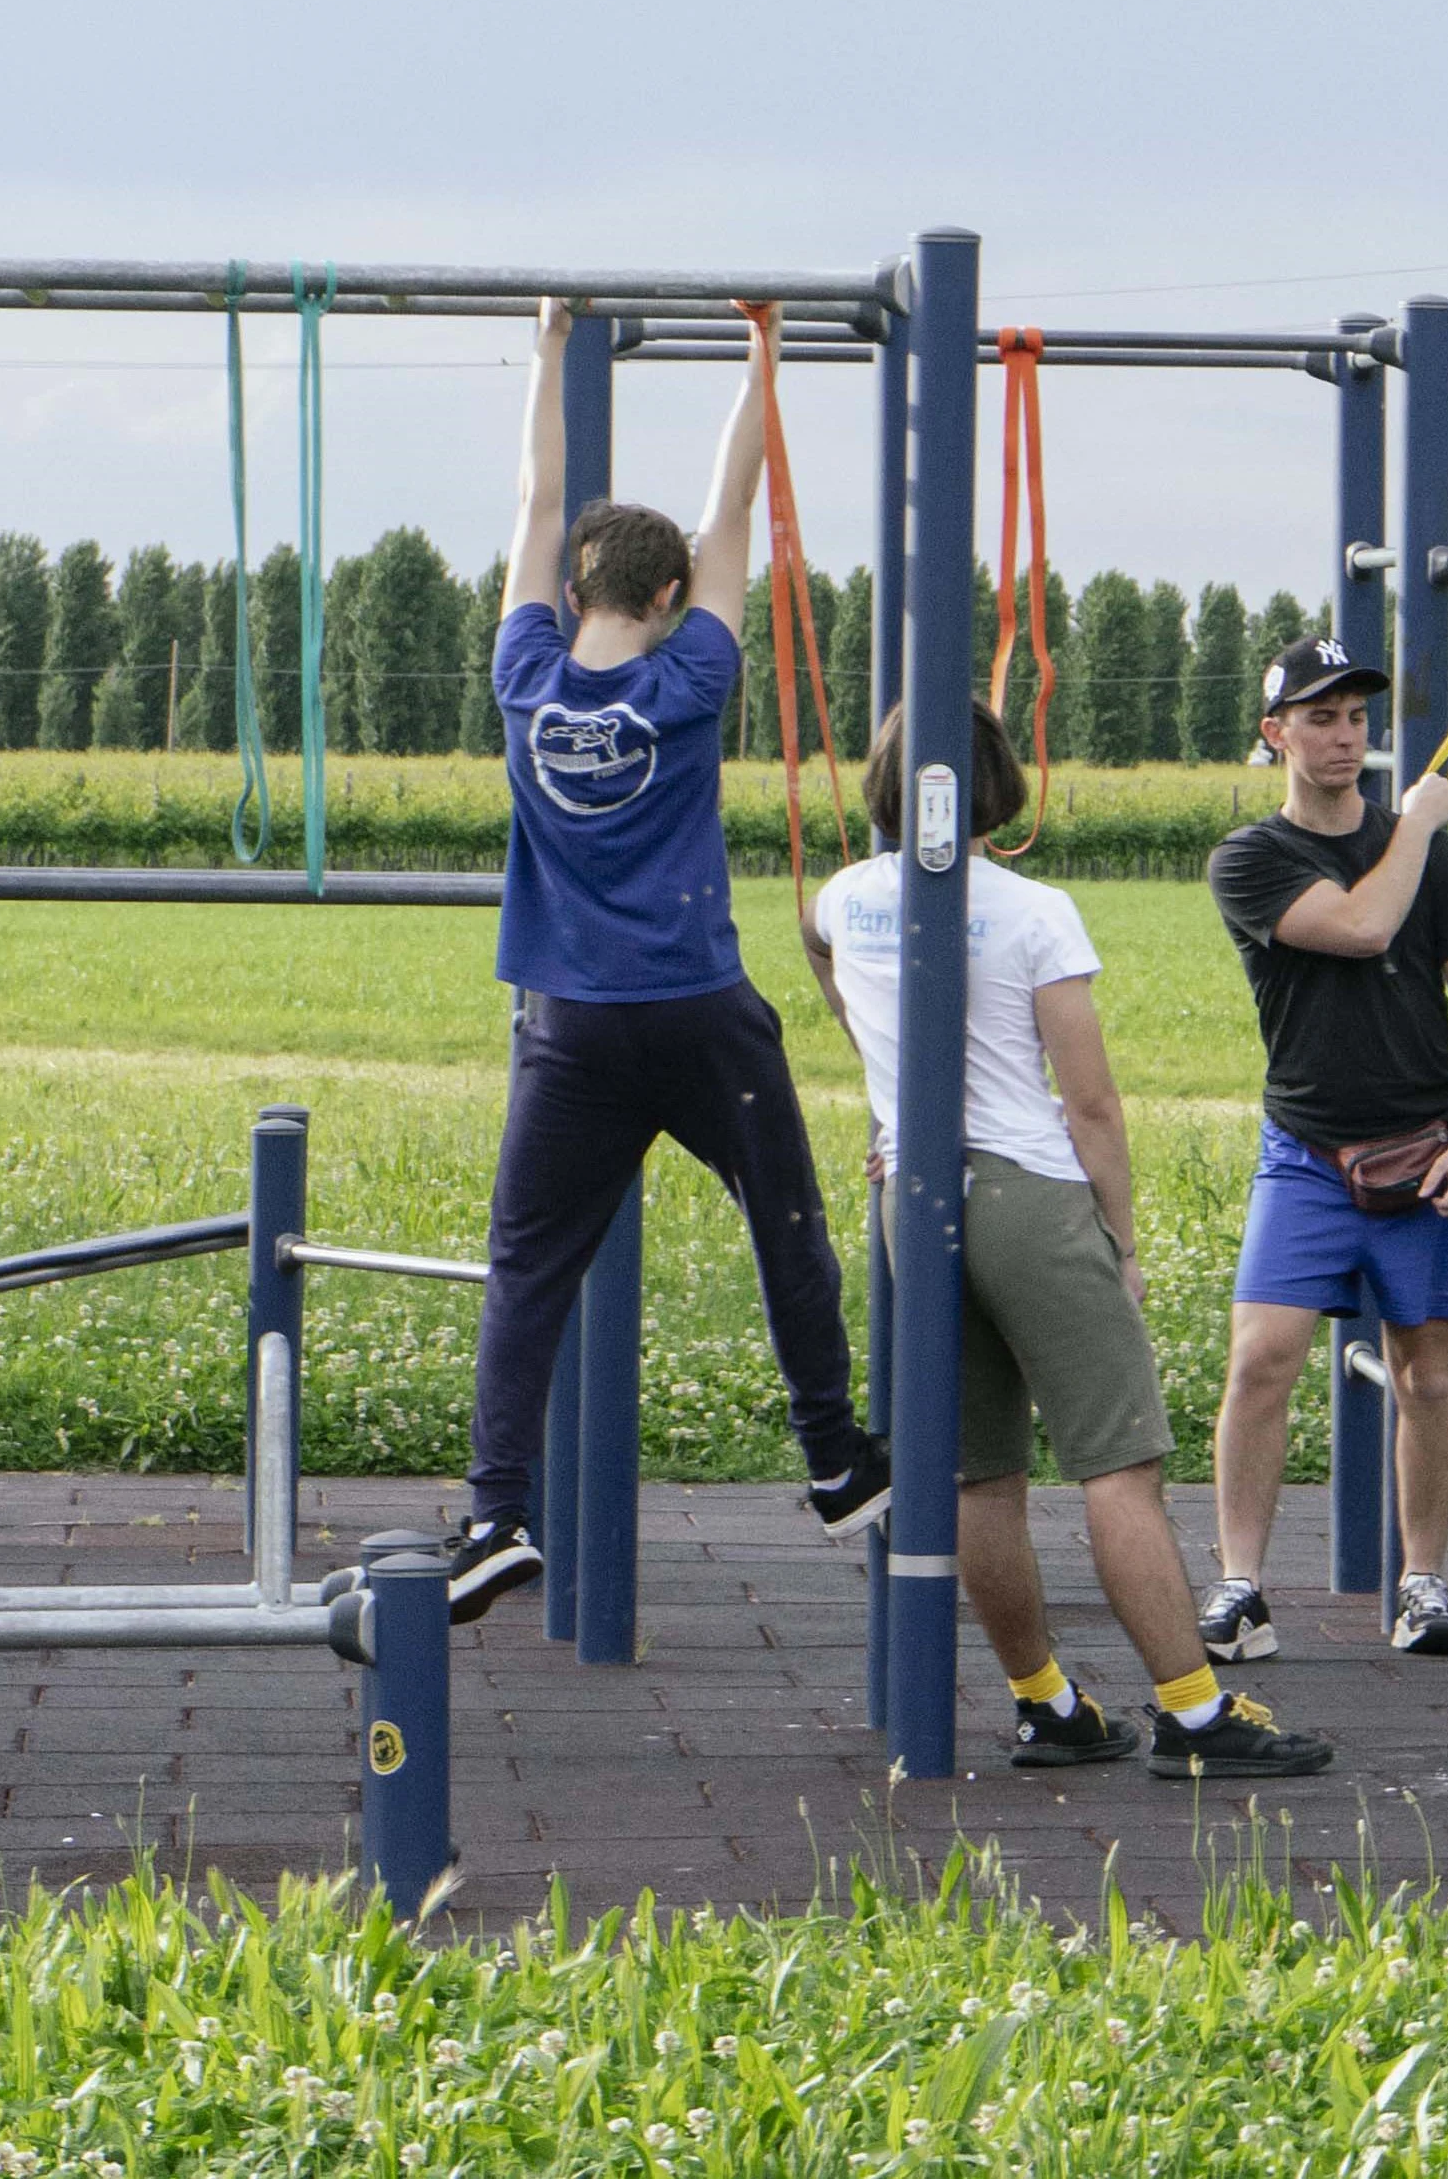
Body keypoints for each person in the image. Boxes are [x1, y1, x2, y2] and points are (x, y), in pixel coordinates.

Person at [449, 303, 880, 1624]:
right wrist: (764, 350)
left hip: (573, 1024)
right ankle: (828, 1449)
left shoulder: (527, 677)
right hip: (698, 1014)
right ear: (672, 595)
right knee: (785, 1217)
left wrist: (544, 349)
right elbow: (732, 502)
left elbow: (535, 495)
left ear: (574, 594)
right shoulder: (691, 677)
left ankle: (494, 1511)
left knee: (528, 1267)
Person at [803, 713, 1332, 1780]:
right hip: (1029, 1196)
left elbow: (820, 955)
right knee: (1117, 1461)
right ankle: (1192, 1713)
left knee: (980, 1471)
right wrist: (1120, 1238)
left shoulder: (844, 897)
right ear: (998, 783)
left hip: (917, 1195)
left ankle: (1046, 1700)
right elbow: (1089, 1102)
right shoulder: (1034, 913)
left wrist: (888, 1093)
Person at [1197, 641, 1448, 1661]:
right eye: (1320, 716)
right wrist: (1418, 822)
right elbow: (1365, 926)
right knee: (1261, 1358)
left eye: (1357, 717)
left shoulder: (1427, 850)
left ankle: (1423, 1583)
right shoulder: (1250, 858)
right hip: (1306, 1150)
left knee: (1428, 1376)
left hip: (1426, 1146)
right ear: (1274, 730)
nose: (1343, 734)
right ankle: (1239, 1583)